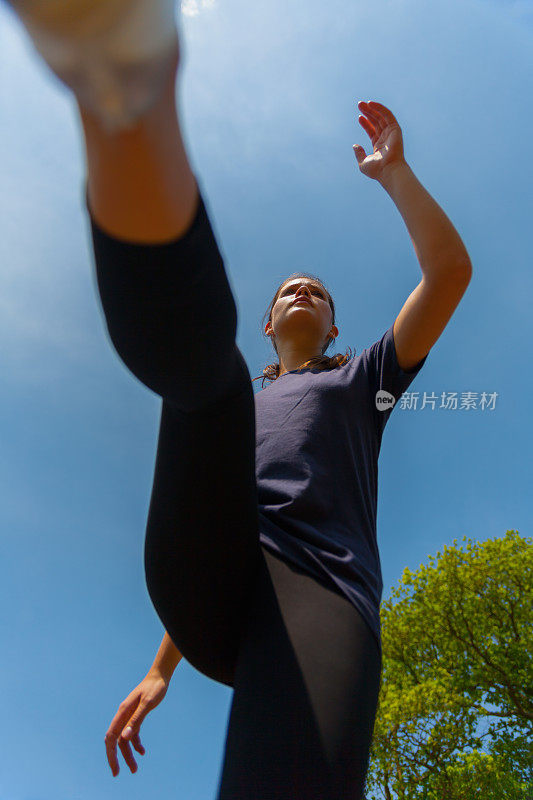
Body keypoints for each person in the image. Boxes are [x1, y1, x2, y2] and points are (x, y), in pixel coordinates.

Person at [7, 1, 472, 797]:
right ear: (268, 323)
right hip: (205, 577)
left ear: (332, 325)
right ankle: (121, 83)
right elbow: (211, 498)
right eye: (288, 289)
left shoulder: (363, 381)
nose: (300, 293)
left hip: (320, 589)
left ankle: (123, 84)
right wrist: (161, 670)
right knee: (207, 385)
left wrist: (393, 174)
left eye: (315, 292)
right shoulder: (236, 394)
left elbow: (447, 276)